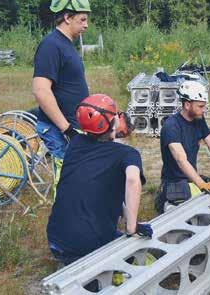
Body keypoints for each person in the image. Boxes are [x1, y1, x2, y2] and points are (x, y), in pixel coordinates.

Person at [47, 94, 152, 267]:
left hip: (56, 239)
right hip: (88, 245)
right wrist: (132, 226)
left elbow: (100, 188)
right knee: (135, 254)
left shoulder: (75, 144)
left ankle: (69, 260)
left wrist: (127, 216)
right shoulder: (126, 154)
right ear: (113, 123)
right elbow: (133, 180)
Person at [155, 81, 210, 213]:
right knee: (195, 212)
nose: (204, 110)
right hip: (174, 181)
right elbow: (181, 159)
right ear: (187, 104)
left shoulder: (198, 120)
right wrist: (200, 183)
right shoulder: (171, 126)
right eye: (200, 106)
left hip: (191, 178)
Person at [32, 0, 91, 197]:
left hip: (72, 126)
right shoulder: (51, 45)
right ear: (67, 17)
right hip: (60, 129)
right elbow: (41, 91)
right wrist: (66, 128)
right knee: (68, 180)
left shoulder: (66, 45)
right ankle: (66, 222)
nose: (86, 25)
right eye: (82, 19)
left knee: (79, 176)